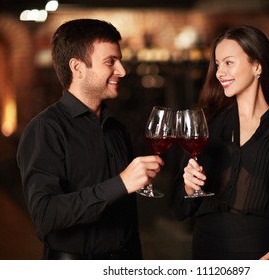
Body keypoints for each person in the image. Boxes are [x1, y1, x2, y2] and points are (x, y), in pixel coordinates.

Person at [16, 18, 164, 260]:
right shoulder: (46, 129)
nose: (122, 71)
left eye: (120, 61)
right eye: (110, 62)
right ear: (77, 67)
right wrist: (121, 183)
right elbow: (45, 215)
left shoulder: (116, 127)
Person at [173, 25, 269, 260]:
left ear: (257, 65)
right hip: (206, 249)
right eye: (217, 64)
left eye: (228, 62)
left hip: (260, 251)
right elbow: (179, 208)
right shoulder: (206, 123)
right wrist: (188, 188)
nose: (219, 72)